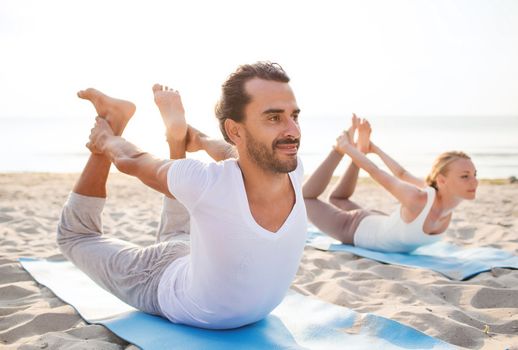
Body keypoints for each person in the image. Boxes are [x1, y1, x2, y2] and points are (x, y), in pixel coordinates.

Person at [57, 61, 307, 330]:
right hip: (156, 275)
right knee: (74, 236)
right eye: (274, 117)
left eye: (294, 116)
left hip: (190, 255)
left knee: (188, 198)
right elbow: (131, 159)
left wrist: (197, 138)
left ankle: (176, 138)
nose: (293, 131)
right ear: (235, 130)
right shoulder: (218, 182)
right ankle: (118, 119)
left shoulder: (288, 168)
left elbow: (235, 152)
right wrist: (105, 140)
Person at [303, 114, 478, 253]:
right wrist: (346, 148)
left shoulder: (437, 194)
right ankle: (338, 148)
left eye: (474, 175)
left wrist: (374, 149)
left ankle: (358, 149)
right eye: (465, 176)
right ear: (442, 180)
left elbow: (402, 174)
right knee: (306, 199)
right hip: (353, 228)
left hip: (376, 220)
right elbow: (375, 172)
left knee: (337, 198)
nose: (474, 182)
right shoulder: (418, 199)